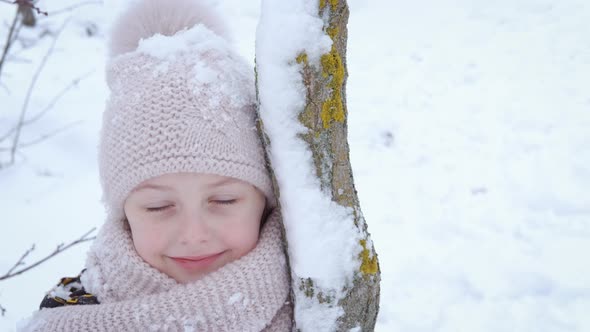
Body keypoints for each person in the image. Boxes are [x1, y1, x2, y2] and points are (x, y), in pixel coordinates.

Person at [20, 0, 292, 330]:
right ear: (124, 214)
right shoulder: (69, 310)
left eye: (224, 200)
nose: (194, 235)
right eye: (158, 206)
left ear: (265, 200)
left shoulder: (320, 298)